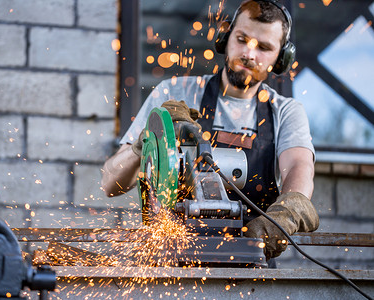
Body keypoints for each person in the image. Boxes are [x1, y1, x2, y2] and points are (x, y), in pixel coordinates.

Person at [101, 0, 319, 260]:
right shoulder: (174, 92)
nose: (249, 54)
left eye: (263, 48)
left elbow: (298, 166)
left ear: (281, 58)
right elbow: (108, 184)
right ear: (225, 38)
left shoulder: (284, 111)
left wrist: (287, 212)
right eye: (242, 39)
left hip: (250, 259)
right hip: (169, 258)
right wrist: (146, 139)